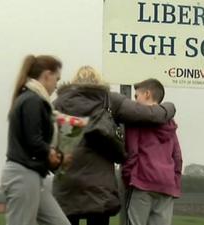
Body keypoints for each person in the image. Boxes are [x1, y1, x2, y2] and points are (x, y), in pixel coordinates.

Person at [52, 66, 176, 225]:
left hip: (66, 182)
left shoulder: (59, 103)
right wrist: (170, 107)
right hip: (99, 185)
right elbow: (150, 115)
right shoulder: (110, 100)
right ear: (99, 81)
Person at [1, 55, 71, 225]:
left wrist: (57, 158)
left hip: (33, 175)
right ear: (47, 75)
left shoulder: (32, 100)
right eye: (57, 78)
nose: (57, 84)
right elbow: (33, 140)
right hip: (22, 175)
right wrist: (53, 153)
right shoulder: (32, 100)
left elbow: (34, 142)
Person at [122, 78, 183, 225]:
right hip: (166, 185)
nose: (135, 101)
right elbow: (177, 157)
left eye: (137, 96)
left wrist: (127, 178)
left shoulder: (136, 119)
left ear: (147, 94)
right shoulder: (170, 123)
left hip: (142, 182)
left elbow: (132, 152)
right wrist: (174, 181)